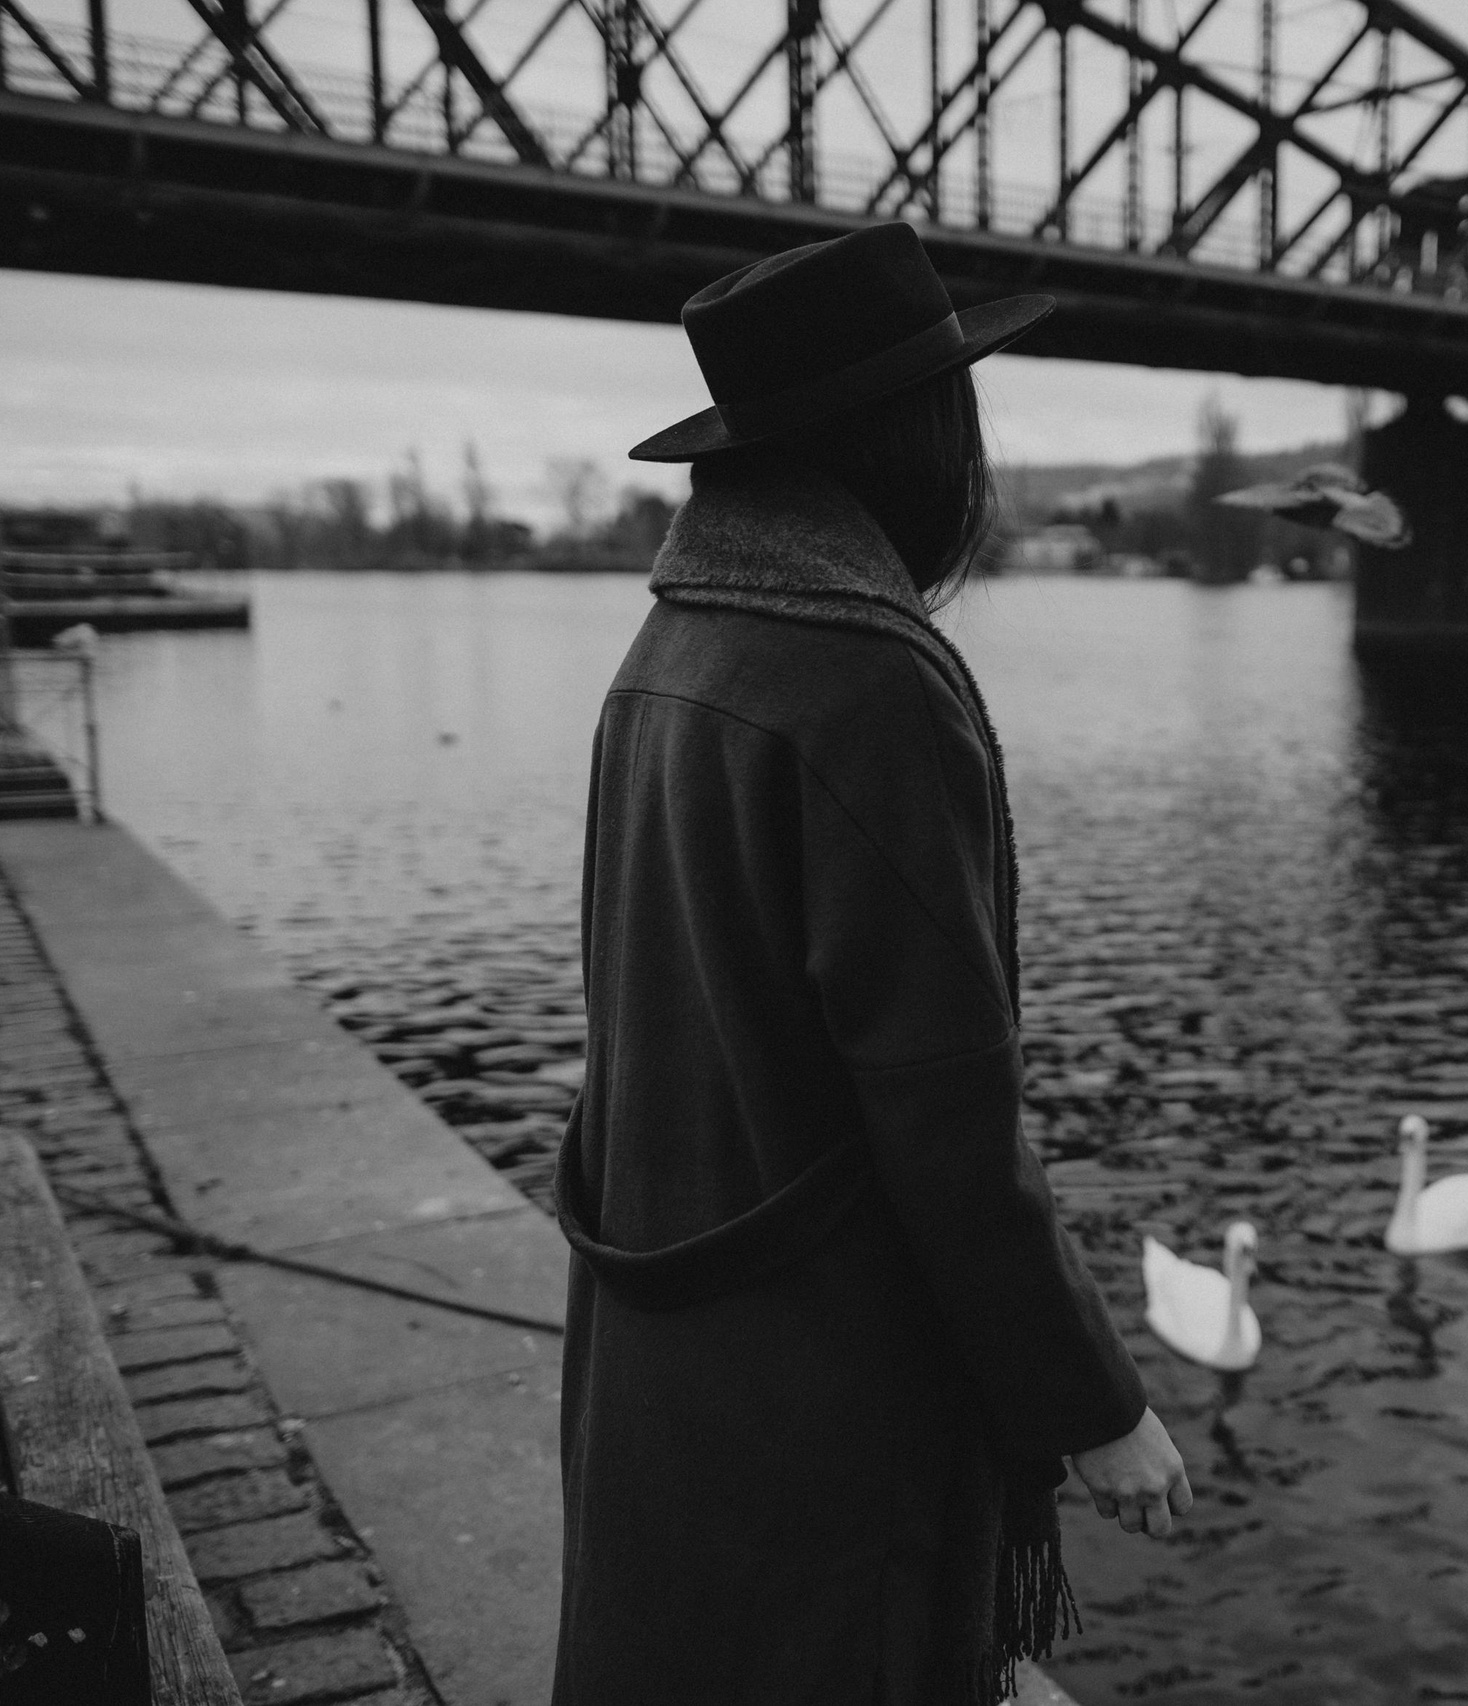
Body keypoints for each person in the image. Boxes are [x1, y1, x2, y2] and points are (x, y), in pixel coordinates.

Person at [551, 222, 1191, 1706]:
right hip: (824, 1383)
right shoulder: (867, 678)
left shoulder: (671, 645)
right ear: (916, 435)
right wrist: (1093, 1405)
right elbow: (945, 1124)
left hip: (668, 1357)